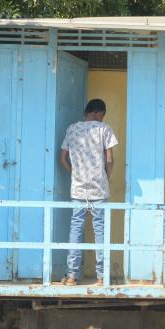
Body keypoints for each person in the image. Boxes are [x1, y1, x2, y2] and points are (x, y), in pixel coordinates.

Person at [59, 98, 119, 286]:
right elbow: (109, 160)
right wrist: (105, 178)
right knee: (100, 231)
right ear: (99, 113)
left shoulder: (72, 129)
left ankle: (71, 277)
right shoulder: (104, 129)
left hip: (78, 189)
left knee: (76, 231)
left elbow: (63, 159)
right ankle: (101, 277)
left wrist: (75, 173)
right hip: (99, 190)